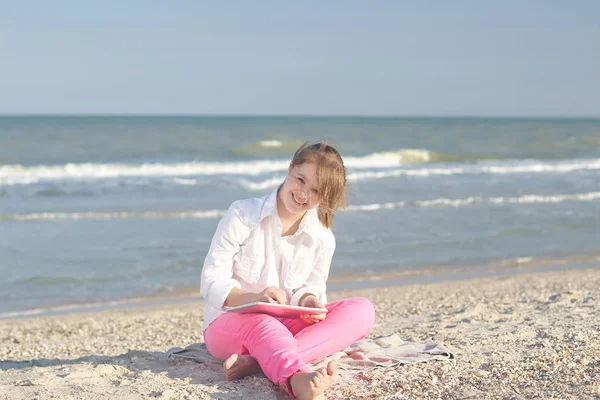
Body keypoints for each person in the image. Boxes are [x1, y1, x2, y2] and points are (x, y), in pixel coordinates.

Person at [200, 142, 375, 400]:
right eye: (300, 180)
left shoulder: (322, 237)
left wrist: (310, 300)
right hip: (229, 324)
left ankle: (260, 362)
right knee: (264, 324)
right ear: (290, 168)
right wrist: (255, 298)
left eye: (316, 191)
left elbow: (312, 286)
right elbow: (211, 280)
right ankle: (295, 379)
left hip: (286, 326)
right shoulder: (242, 214)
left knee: (362, 310)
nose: (303, 194)